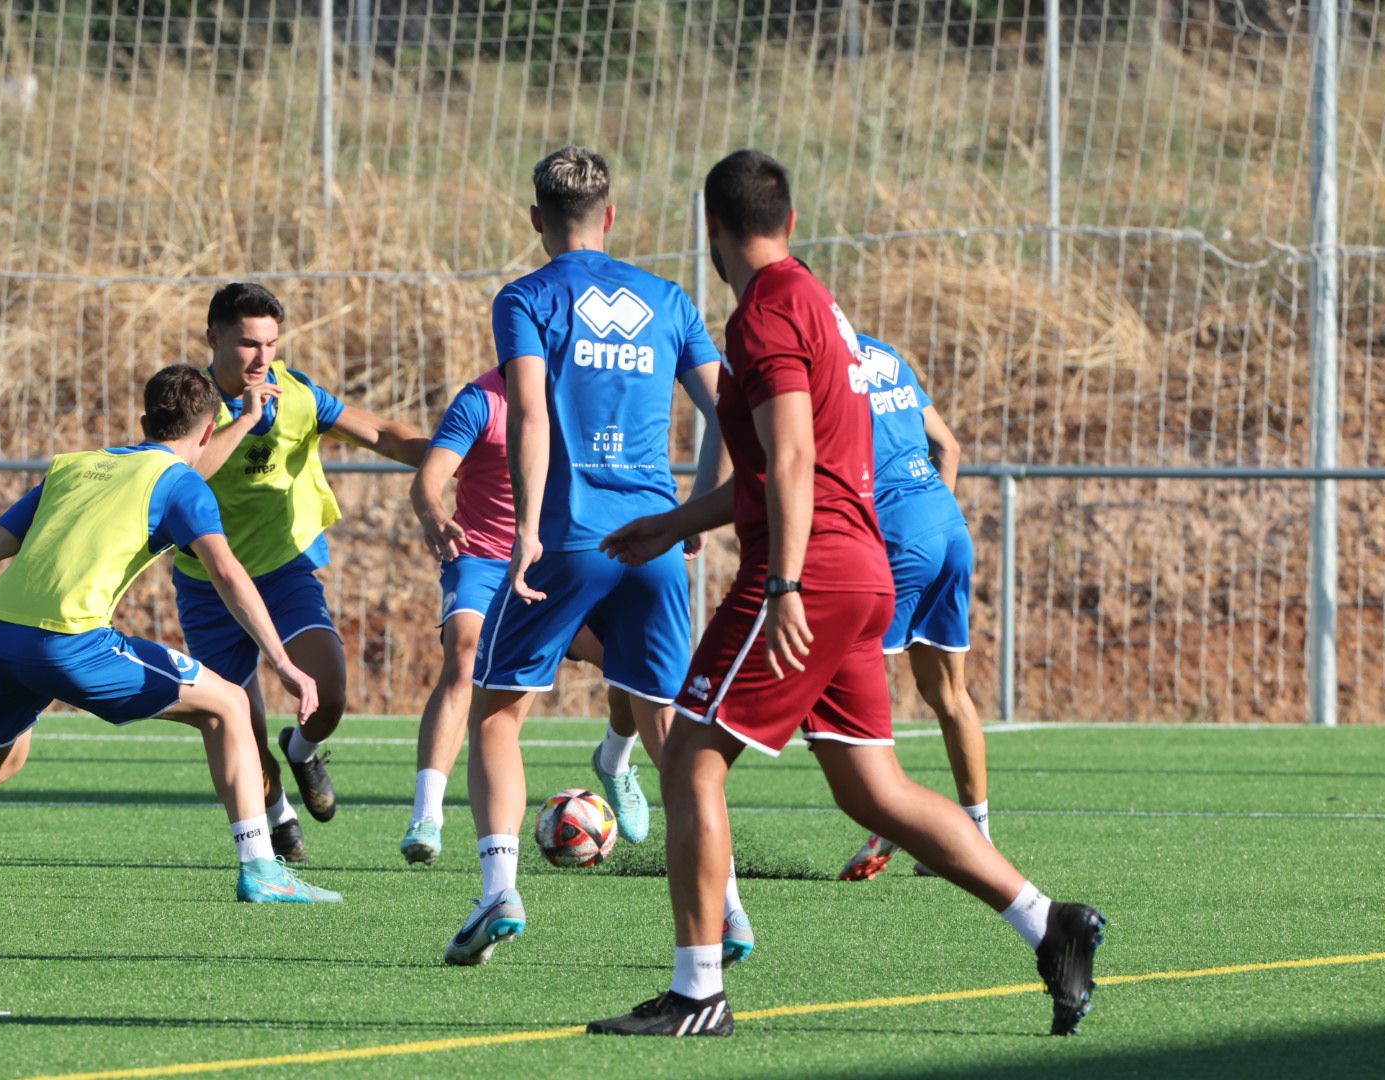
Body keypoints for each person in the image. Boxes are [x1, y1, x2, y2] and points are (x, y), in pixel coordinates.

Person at [587, 150, 1104, 1038]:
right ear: (789, 221)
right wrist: (675, 523)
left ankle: (698, 992)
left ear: (710, 229)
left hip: (813, 572)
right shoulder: (821, 303)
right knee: (873, 788)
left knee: (690, 760)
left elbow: (792, 457)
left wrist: (784, 582)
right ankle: (1047, 922)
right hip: (861, 569)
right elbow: (790, 463)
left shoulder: (764, 312)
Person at [0, 365, 335, 903]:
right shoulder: (181, 483)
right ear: (210, 431)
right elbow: (227, 572)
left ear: (143, 422)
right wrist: (282, 662)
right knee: (231, 705)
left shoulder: (72, 466)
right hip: (70, 643)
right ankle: (261, 868)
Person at [442, 146, 736, 967]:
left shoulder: (526, 297)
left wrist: (526, 529)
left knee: (496, 713)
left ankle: (499, 891)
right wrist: (694, 510)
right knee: (671, 731)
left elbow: (530, 415)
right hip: (653, 541)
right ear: (610, 217)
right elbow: (731, 408)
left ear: (537, 218)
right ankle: (730, 909)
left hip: (571, 536)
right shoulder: (669, 299)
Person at [173, 283, 427, 863]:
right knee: (239, 725)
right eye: (248, 344)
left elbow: (382, 434)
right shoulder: (191, 403)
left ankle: (304, 749)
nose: (262, 358)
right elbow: (180, 471)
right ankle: (277, 816)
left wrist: (458, 455)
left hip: (284, 569)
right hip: (210, 583)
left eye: (272, 344)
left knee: (329, 691)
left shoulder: (297, 394)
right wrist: (245, 420)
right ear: (213, 338)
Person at [405, 367, 651, 865]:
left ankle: (614, 760)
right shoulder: (481, 400)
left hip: (558, 561)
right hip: (483, 560)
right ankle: (426, 816)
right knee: (465, 657)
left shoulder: (584, 392)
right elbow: (428, 480)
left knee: (633, 664)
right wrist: (434, 515)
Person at [838, 336, 988, 881]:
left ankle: (896, 819)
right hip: (948, 526)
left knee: (856, 683)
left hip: (898, 537)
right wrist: (930, 517)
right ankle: (977, 834)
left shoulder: (817, 361)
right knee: (949, 694)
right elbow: (948, 447)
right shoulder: (886, 354)